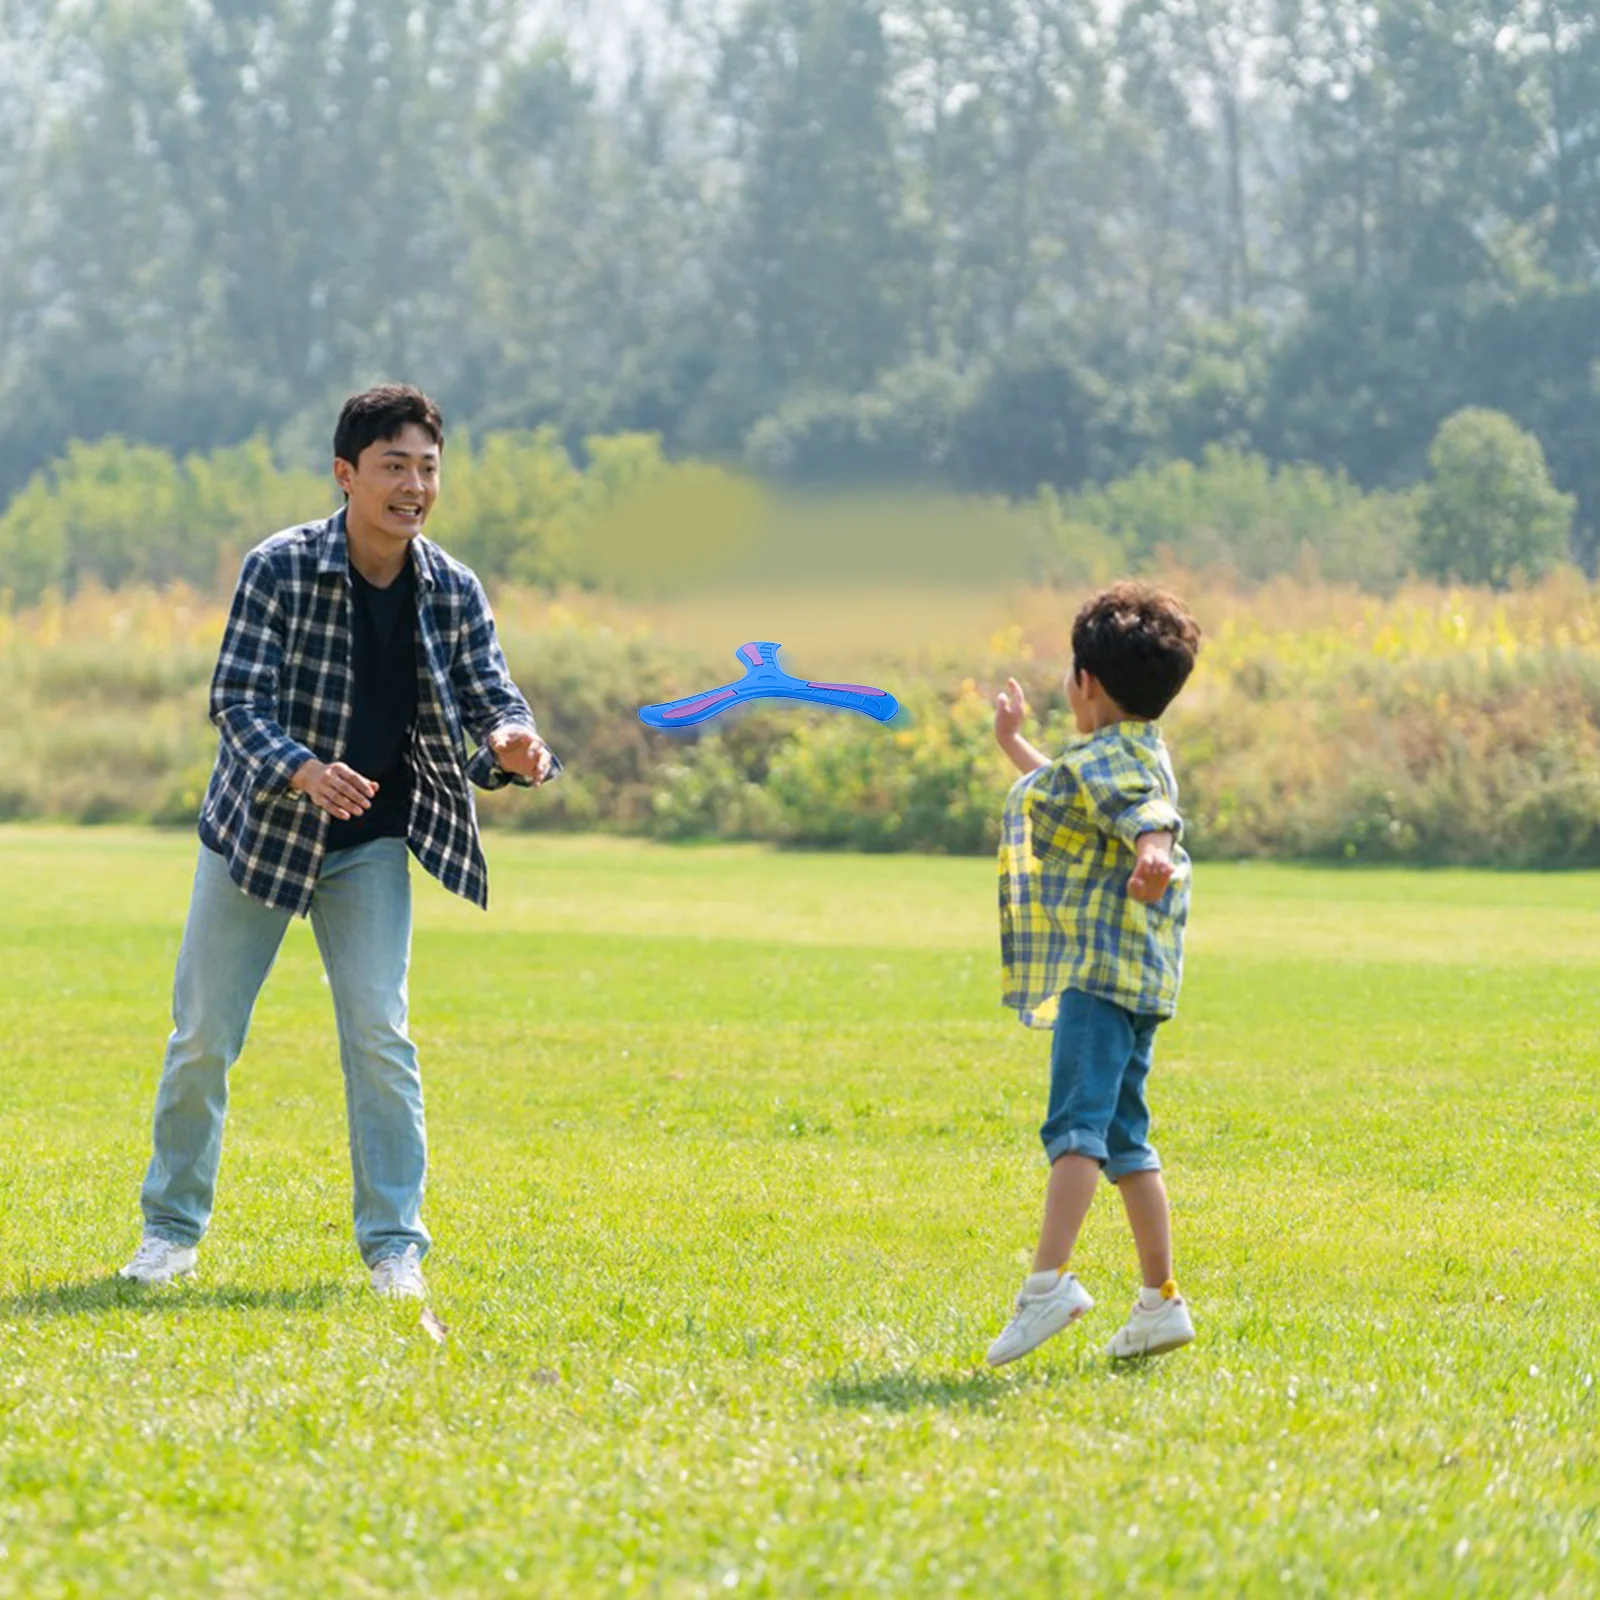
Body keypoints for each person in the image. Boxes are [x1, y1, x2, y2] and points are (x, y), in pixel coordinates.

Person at [119, 384, 557, 1299]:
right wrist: (304, 769)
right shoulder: (278, 568)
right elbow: (234, 702)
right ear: (346, 475)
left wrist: (514, 746)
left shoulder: (453, 589)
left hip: (370, 845)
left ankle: (395, 1247)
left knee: (380, 1035)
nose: (414, 486)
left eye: (428, 469)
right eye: (394, 466)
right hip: (260, 834)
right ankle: (169, 1233)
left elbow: (492, 702)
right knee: (203, 1036)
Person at [985, 582, 1202, 1365]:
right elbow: (1092, 793)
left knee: (1073, 1131)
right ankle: (1159, 1302)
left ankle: (1048, 1285)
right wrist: (1014, 743)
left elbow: (1147, 817)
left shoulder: (1123, 767)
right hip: (1140, 983)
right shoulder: (1135, 750)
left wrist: (1154, 855)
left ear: (1086, 681)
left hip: (1100, 981)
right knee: (1124, 1139)